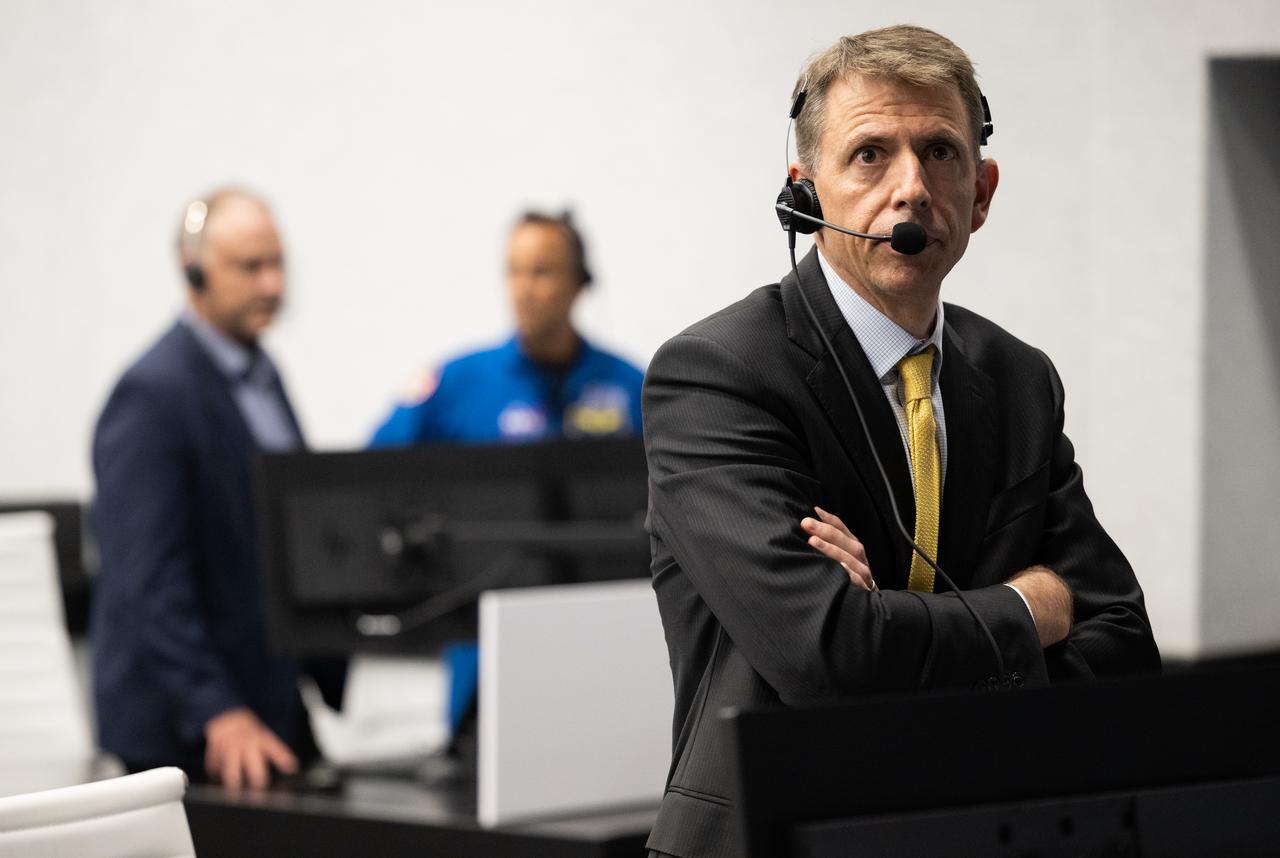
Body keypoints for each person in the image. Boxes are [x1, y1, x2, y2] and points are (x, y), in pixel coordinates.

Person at [641, 26, 1160, 857]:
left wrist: (886, 620)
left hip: (975, 828)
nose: (913, 188)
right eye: (871, 154)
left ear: (982, 193)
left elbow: (1124, 643)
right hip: (775, 836)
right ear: (805, 194)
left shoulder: (1020, 379)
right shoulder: (718, 374)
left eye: (941, 153)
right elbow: (828, 657)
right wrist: (1031, 607)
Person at [91, 189, 343, 788]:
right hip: (189, 728)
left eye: (278, 263)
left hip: (264, 699)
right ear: (194, 272)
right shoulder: (152, 396)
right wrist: (219, 711)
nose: (272, 285)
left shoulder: (261, 375)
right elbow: (148, 579)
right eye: (250, 267)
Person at [370, 211, 644, 446]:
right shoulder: (456, 383)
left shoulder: (631, 385)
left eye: (541, 272)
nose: (524, 290)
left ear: (579, 283)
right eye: (514, 272)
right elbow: (372, 468)